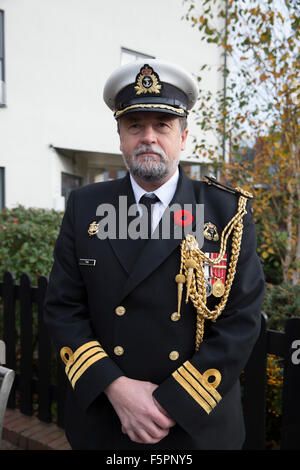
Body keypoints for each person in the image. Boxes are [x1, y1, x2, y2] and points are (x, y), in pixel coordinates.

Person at [44, 59, 265, 450]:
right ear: (120, 138)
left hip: (196, 425)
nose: (148, 137)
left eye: (162, 125)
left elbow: (241, 321)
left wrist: (168, 404)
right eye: (135, 126)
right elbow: (63, 309)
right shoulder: (85, 207)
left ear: (183, 137)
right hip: (108, 420)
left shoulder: (226, 212)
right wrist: (117, 389)